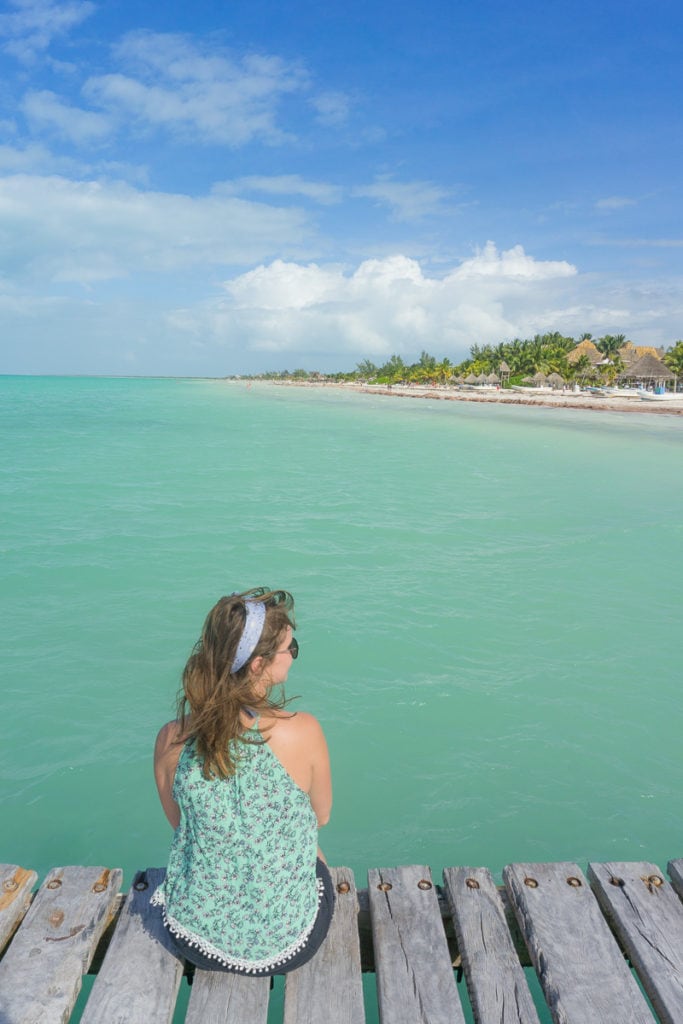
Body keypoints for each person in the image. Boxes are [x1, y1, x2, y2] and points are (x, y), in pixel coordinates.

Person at [152, 588, 334, 975]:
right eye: (291, 648)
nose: (294, 655)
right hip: (287, 943)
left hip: (195, 937)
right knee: (315, 850)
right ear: (258, 665)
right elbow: (321, 816)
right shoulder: (302, 731)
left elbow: (181, 823)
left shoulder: (172, 739)